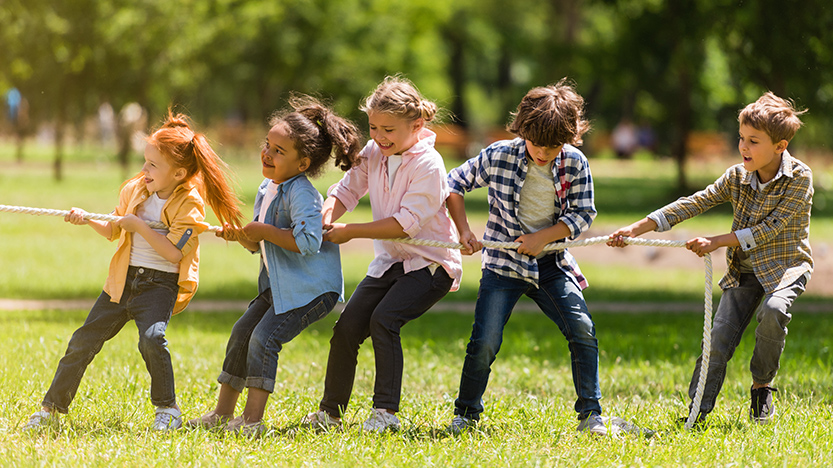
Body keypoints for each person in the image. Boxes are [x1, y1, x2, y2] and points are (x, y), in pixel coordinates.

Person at [23, 112, 244, 432]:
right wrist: (86, 218)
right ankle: (50, 409)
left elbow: (172, 251)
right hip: (122, 281)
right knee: (82, 341)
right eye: (145, 161)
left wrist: (139, 225)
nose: (144, 170)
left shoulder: (191, 206)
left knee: (152, 339)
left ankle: (167, 409)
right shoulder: (136, 190)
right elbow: (114, 229)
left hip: (159, 286)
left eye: (153, 165)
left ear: (179, 172)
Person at [608, 92, 812, 425]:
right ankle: (697, 412)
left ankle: (762, 387)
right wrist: (638, 226)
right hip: (744, 270)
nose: (743, 147)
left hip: (786, 266)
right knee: (717, 340)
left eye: (753, 141)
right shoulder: (736, 176)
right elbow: (695, 202)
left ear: (780, 146)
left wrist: (716, 241)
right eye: (741, 138)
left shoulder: (800, 179)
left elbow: (769, 230)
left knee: (774, 311)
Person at [185, 96, 362, 436]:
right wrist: (241, 236)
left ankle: (252, 422)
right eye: (268, 145)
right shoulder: (267, 187)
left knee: (264, 339)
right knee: (241, 333)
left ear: (302, 163)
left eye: (279, 151)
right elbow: (258, 245)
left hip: (311, 289)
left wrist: (265, 231)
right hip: (278, 284)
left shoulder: (303, 194)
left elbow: (309, 242)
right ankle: (223, 413)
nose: (267, 153)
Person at [443, 79, 610, 435]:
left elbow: (583, 214)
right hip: (503, 268)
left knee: (582, 328)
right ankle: (466, 413)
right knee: (485, 340)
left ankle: (591, 415)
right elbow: (452, 184)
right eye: (537, 143)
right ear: (523, 130)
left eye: (554, 145)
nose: (544, 152)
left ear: (569, 138)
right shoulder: (499, 154)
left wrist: (544, 239)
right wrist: (465, 233)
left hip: (552, 264)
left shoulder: (575, 163)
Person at [301, 76, 463, 433]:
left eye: (388, 129)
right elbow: (345, 191)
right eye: (373, 127)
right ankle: (330, 413)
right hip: (390, 261)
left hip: (430, 265)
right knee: (347, 328)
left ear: (417, 125)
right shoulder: (375, 153)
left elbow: (405, 224)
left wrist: (351, 232)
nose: (379, 136)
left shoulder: (430, 165)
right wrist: (327, 215)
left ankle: (385, 414)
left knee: (384, 321)